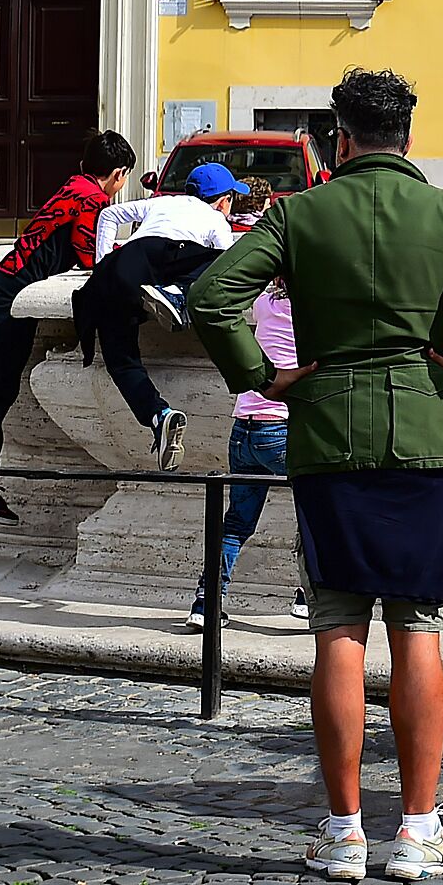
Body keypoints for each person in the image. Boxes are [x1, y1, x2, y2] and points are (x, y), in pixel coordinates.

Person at [189, 68, 443, 882]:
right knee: (419, 625)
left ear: (340, 139)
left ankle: (344, 832)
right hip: (424, 431)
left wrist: (261, 375)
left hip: (327, 435)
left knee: (338, 627)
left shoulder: (299, 214)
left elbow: (212, 297)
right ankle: (418, 829)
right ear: (408, 138)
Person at [0, 132, 136, 529]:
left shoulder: (73, 185)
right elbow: (89, 254)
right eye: (124, 178)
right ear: (118, 174)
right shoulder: (94, 200)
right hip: (8, 303)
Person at [78, 160, 243, 472]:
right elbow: (226, 264)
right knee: (226, 260)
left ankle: (159, 415)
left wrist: (102, 263)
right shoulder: (215, 219)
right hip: (165, 258)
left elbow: (109, 214)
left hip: (119, 270)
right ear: (224, 201)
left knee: (122, 362)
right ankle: (176, 294)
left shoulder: (163, 202)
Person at [185, 268, 308, 630]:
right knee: (319, 510)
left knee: (236, 523)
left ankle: (205, 604)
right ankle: (309, 597)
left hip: (244, 428)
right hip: (283, 427)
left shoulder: (264, 303)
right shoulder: (314, 310)